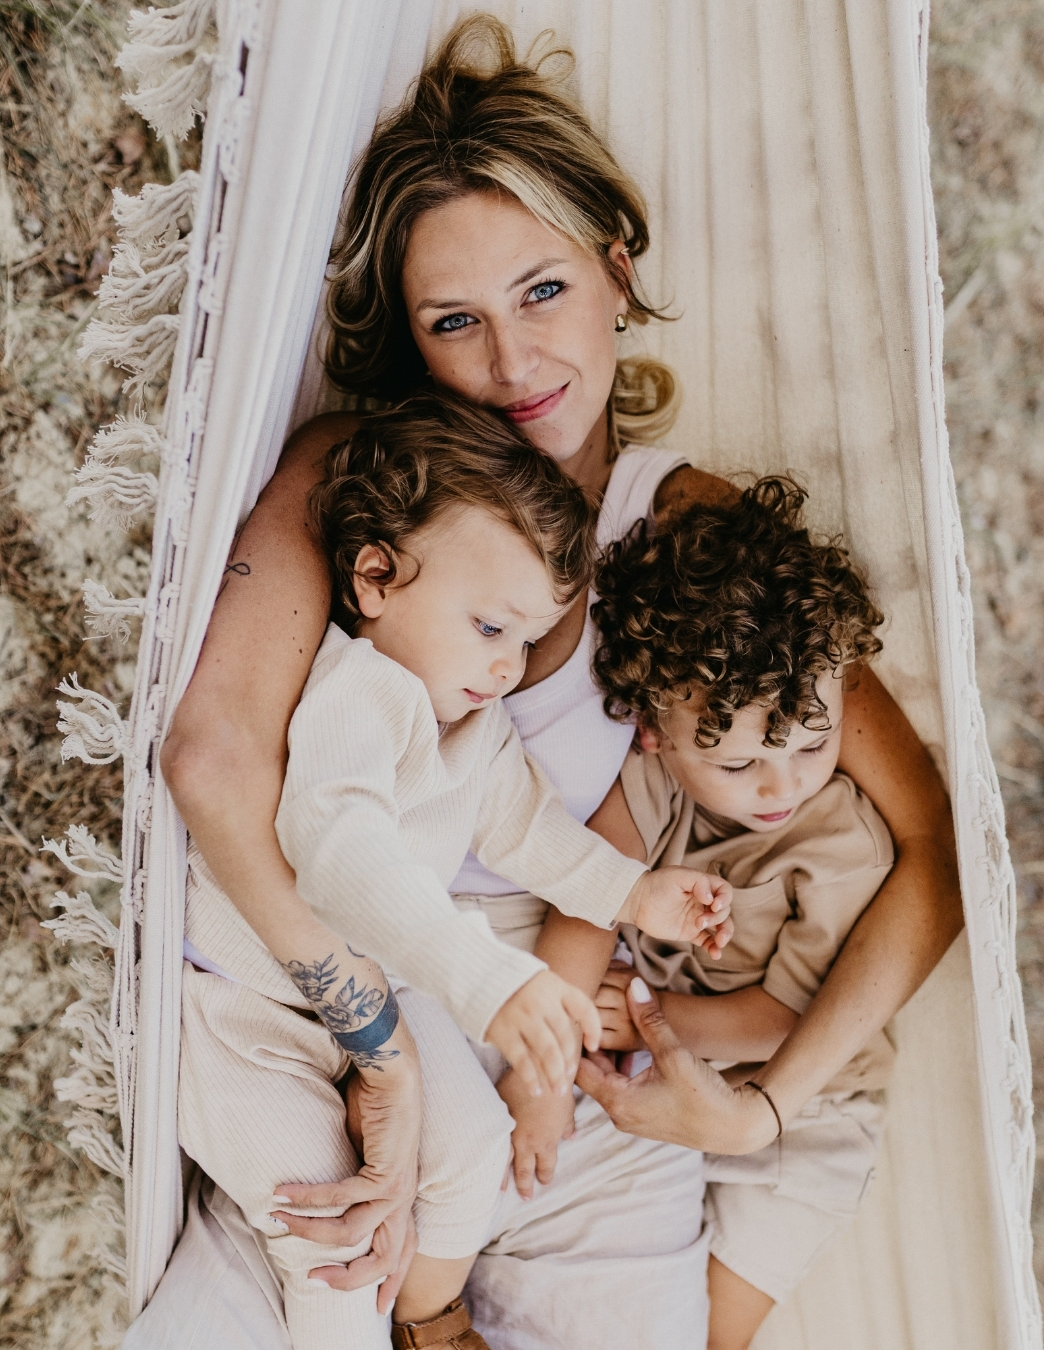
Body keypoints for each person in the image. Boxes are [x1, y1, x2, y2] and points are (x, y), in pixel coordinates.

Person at [133, 14, 961, 1350]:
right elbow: (214, 764)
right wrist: (384, 1046)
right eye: (453, 320)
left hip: (560, 1054)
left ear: (617, 268)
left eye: (543, 291)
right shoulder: (361, 483)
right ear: (407, 338)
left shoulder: (685, 530)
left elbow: (932, 848)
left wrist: (763, 1107)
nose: (511, 364)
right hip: (307, 987)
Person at [177, 391, 733, 1350]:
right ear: (377, 577)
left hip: (381, 990)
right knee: (331, 1237)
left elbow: (529, 833)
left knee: (470, 1155)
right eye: (489, 628)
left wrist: (634, 894)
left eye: (527, 638)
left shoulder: (473, 721)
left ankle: (428, 1324)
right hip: (251, 1013)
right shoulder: (362, 692)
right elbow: (339, 853)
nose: (510, 665)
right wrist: (484, 979)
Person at [586, 478, 895, 1349]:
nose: (783, 785)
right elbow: (590, 884)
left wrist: (648, 1021)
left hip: (808, 1111)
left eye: (813, 741)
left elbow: (786, 1019)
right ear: (651, 728)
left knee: (711, 1336)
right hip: (672, 1077)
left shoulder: (840, 846)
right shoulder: (649, 780)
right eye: (740, 763)